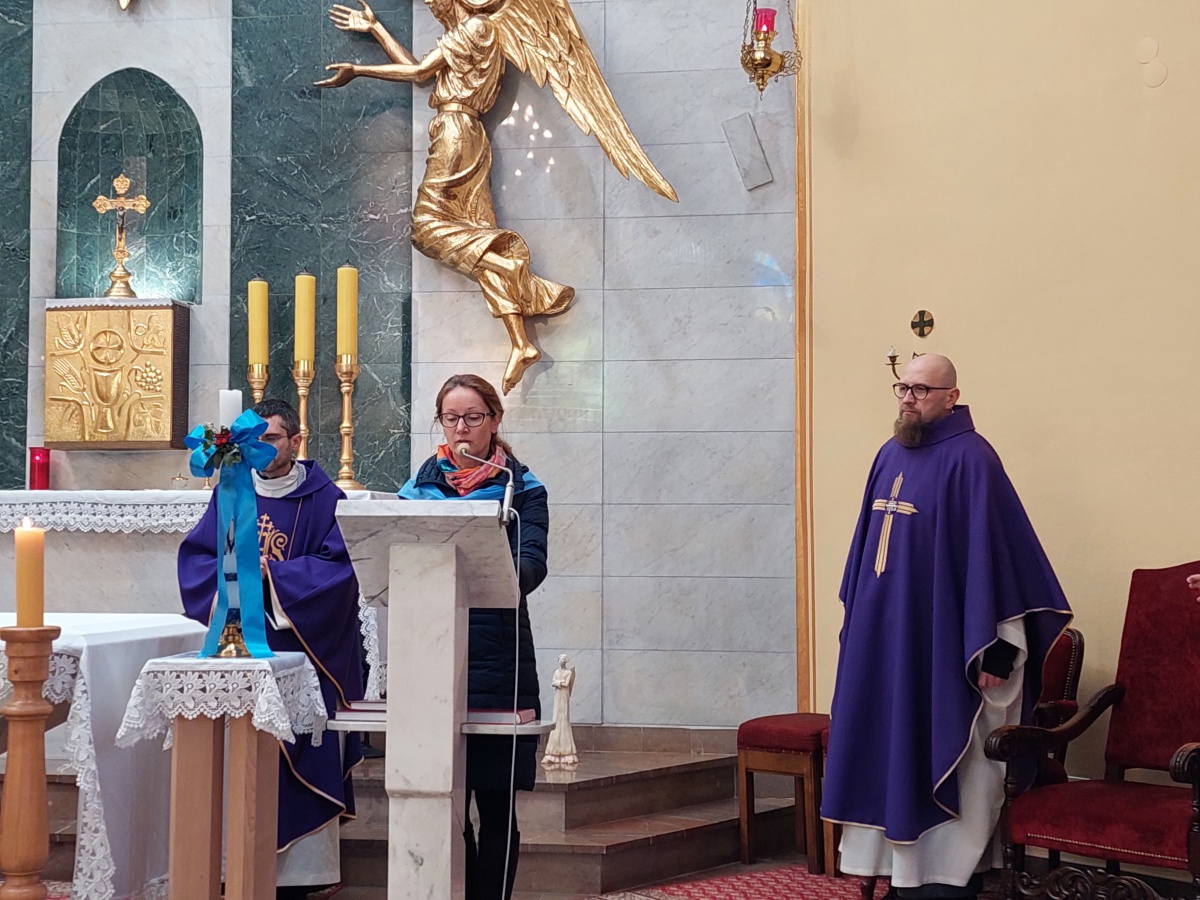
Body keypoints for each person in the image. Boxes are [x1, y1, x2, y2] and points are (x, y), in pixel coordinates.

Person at [821, 354, 1072, 899]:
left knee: (948, 749)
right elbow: (866, 555)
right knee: (889, 749)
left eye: (921, 390)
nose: (908, 399)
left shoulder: (973, 460)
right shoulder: (888, 454)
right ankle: (899, 875)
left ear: (951, 396)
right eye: (902, 387)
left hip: (942, 647)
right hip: (885, 642)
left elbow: (1001, 563)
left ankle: (945, 880)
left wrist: (998, 653)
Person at [178, 399, 364, 898]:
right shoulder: (232, 489)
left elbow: (340, 571)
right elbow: (197, 556)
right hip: (238, 646)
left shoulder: (326, 499)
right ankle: (234, 867)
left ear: (296, 442)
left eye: (270, 439)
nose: (258, 449)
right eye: (252, 441)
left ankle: (303, 876)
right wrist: (232, 577)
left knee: (299, 748)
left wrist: (272, 577)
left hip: (304, 648)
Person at [398, 373, 548, 900]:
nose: (461, 428)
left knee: (496, 805)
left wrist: (489, 566)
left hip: (499, 659)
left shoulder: (521, 488)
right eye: (451, 418)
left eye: (473, 417)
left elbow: (532, 563)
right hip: (432, 655)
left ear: (495, 420)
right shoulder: (417, 490)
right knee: (442, 802)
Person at [542, 654, 578, 768]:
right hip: (558, 696)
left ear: (566, 661)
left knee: (564, 720)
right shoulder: (556, 672)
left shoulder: (569, 672)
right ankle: (552, 752)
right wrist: (559, 682)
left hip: (564, 697)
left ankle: (567, 752)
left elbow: (566, 684)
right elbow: (553, 682)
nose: (562, 661)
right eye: (560, 659)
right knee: (556, 719)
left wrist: (558, 682)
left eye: (563, 659)